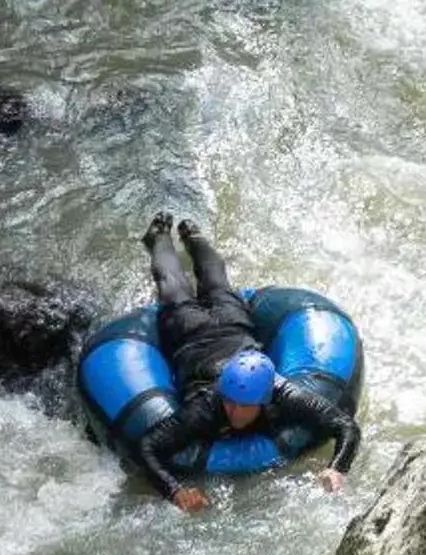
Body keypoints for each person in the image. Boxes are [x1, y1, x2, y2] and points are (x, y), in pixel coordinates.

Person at [137, 214, 359, 513]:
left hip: (233, 324)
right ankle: (158, 236)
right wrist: (175, 491)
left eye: (244, 405)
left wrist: (337, 468)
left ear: (265, 398)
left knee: (215, 276)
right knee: (172, 284)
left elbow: (345, 426)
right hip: (190, 333)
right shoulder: (207, 406)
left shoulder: (283, 394)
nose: (234, 412)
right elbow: (148, 446)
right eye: (230, 402)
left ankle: (193, 235)